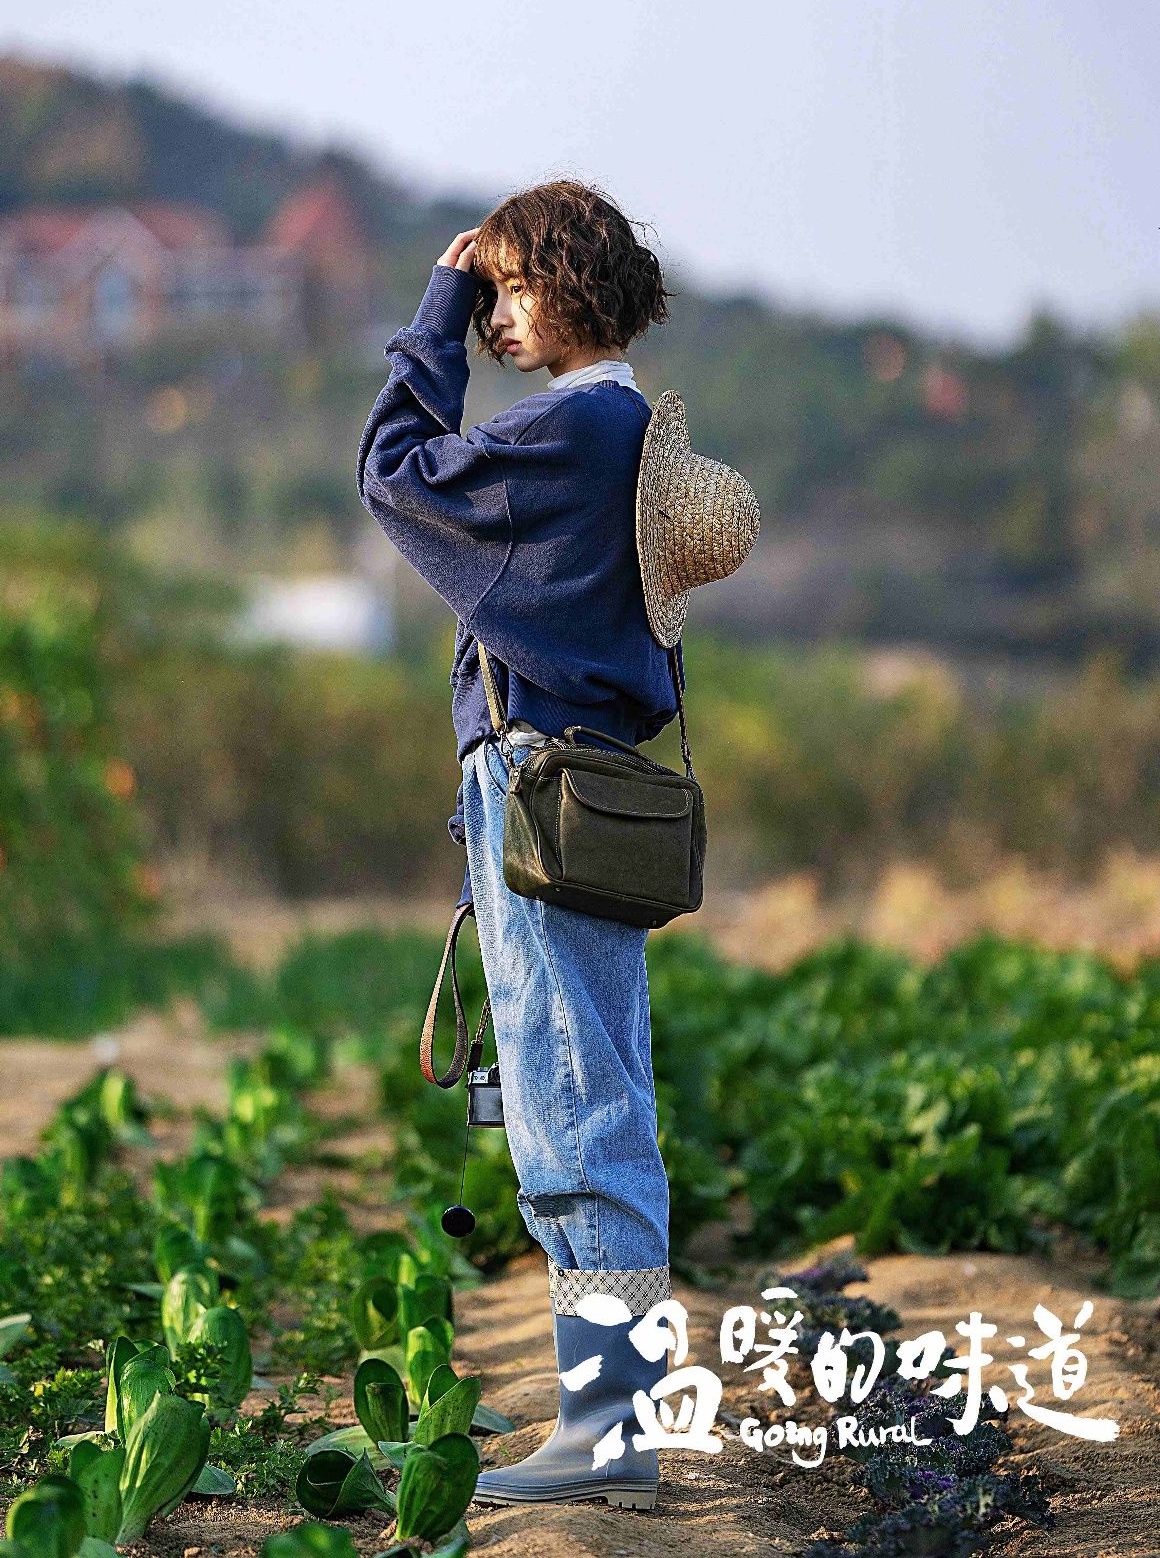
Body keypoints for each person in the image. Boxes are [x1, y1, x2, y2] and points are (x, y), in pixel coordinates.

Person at [357, 179, 682, 1510]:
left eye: (504, 292)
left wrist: (430, 312)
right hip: (583, 786)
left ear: (555, 283)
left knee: (575, 1100)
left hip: (541, 786)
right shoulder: (626, 434)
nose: (495, 320)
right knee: (583, 1087)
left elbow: (392, 474)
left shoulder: (571, 433)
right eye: (481, 300)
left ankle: (610, 1437)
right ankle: (613, 1425)